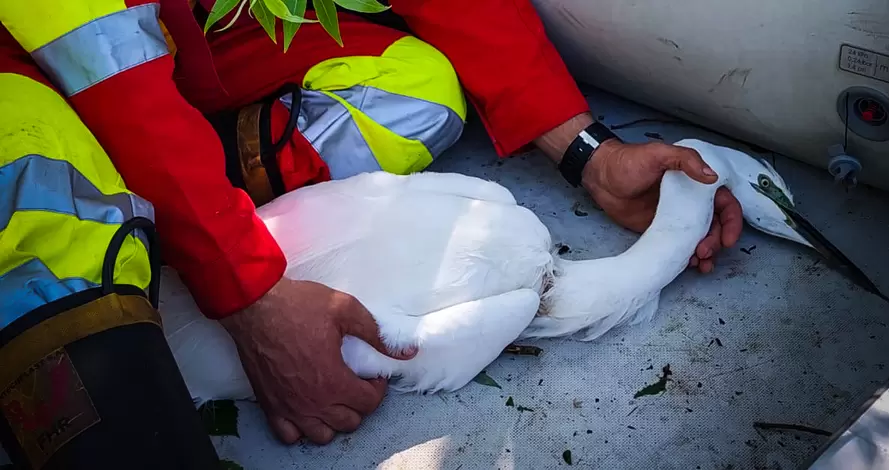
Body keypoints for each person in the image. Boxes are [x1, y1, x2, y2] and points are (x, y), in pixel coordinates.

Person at [0, 0, 742, 447]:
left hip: (180, 31)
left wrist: (587, 152)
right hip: (33, 62)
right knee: (43, 198)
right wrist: (251, 298)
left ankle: (175, 202)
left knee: (418, 92)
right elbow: (108, 70)